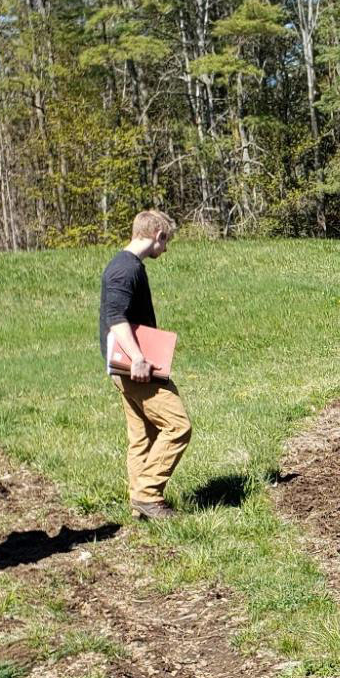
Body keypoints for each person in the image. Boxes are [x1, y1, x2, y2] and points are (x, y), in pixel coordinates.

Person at [100, 209, 191, 520]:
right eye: (166, 242)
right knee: (178, 426)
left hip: (125, 368)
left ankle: (140, 503)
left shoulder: (127, 265)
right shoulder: (125, 270)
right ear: (158, 236)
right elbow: (116, 320)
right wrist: (138, 358)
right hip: (135, 367)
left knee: (143, 435)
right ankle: (148, 495)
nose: (165, 249)